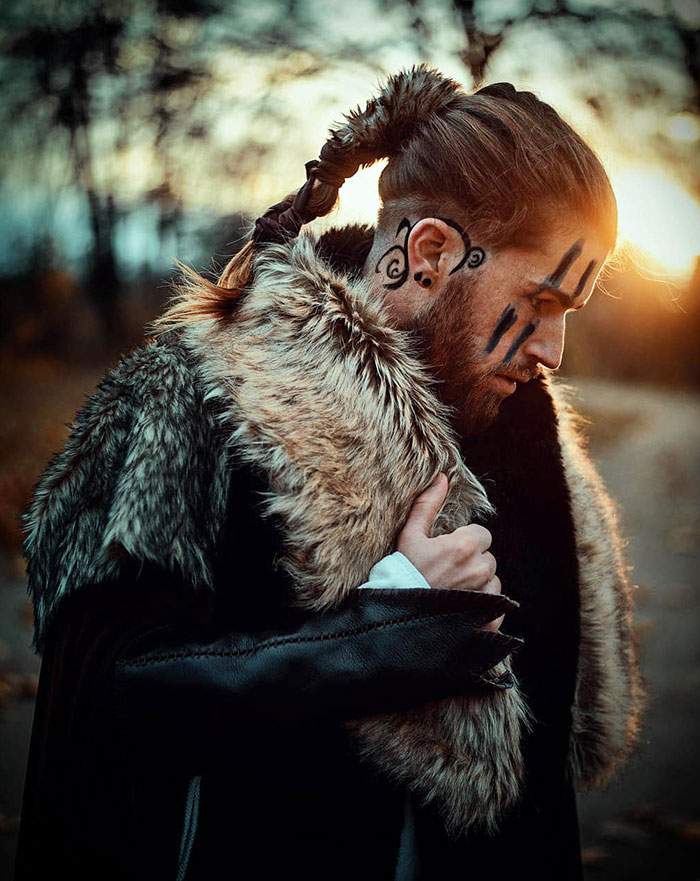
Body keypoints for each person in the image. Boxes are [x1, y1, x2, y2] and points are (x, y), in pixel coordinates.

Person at [15, 65, 645, 881]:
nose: (554, 351)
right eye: (544, 300)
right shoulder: (196, 395)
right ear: (428, 253)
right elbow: (107, 703)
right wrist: (382, 626)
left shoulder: (528, 436)